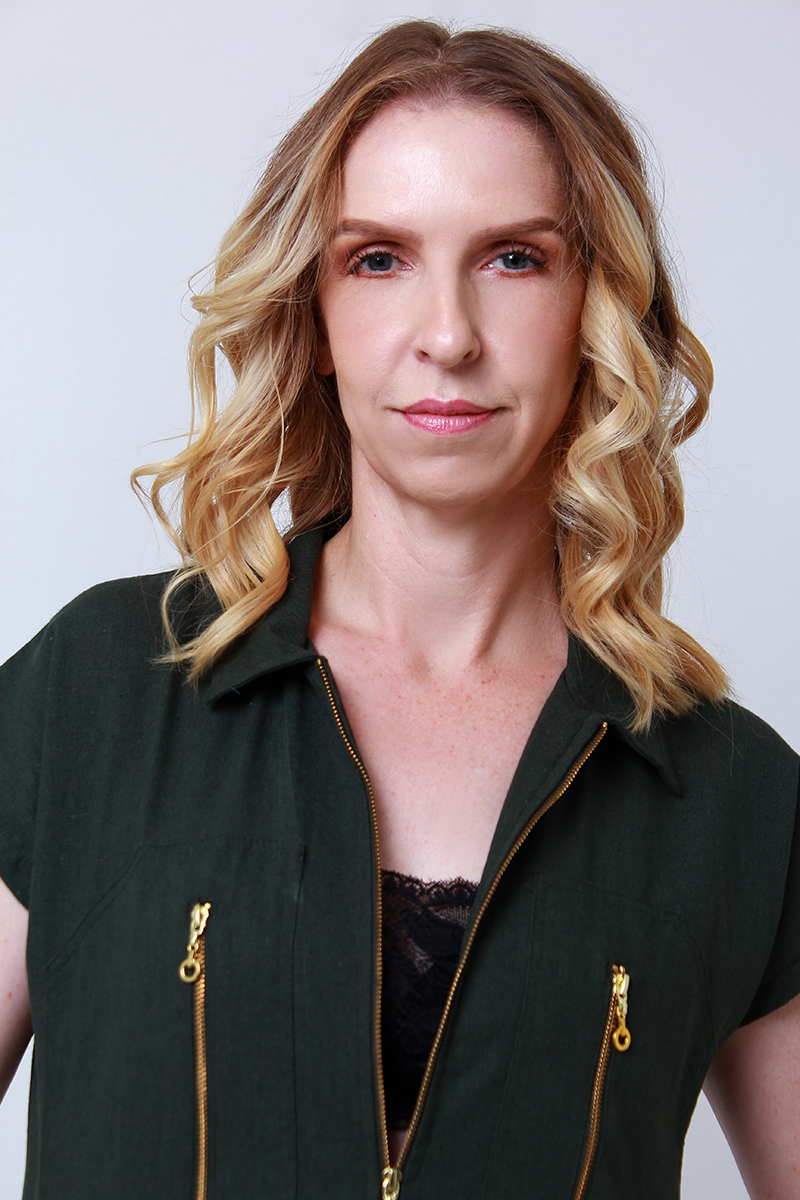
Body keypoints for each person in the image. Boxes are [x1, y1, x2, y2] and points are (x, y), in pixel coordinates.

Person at [0, 19, 798, 1200]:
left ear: (594, 309)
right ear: (313, 315)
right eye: (378, 259)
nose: (447, 336)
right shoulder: (98, 690)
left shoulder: (732, 799)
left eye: (513, 258)